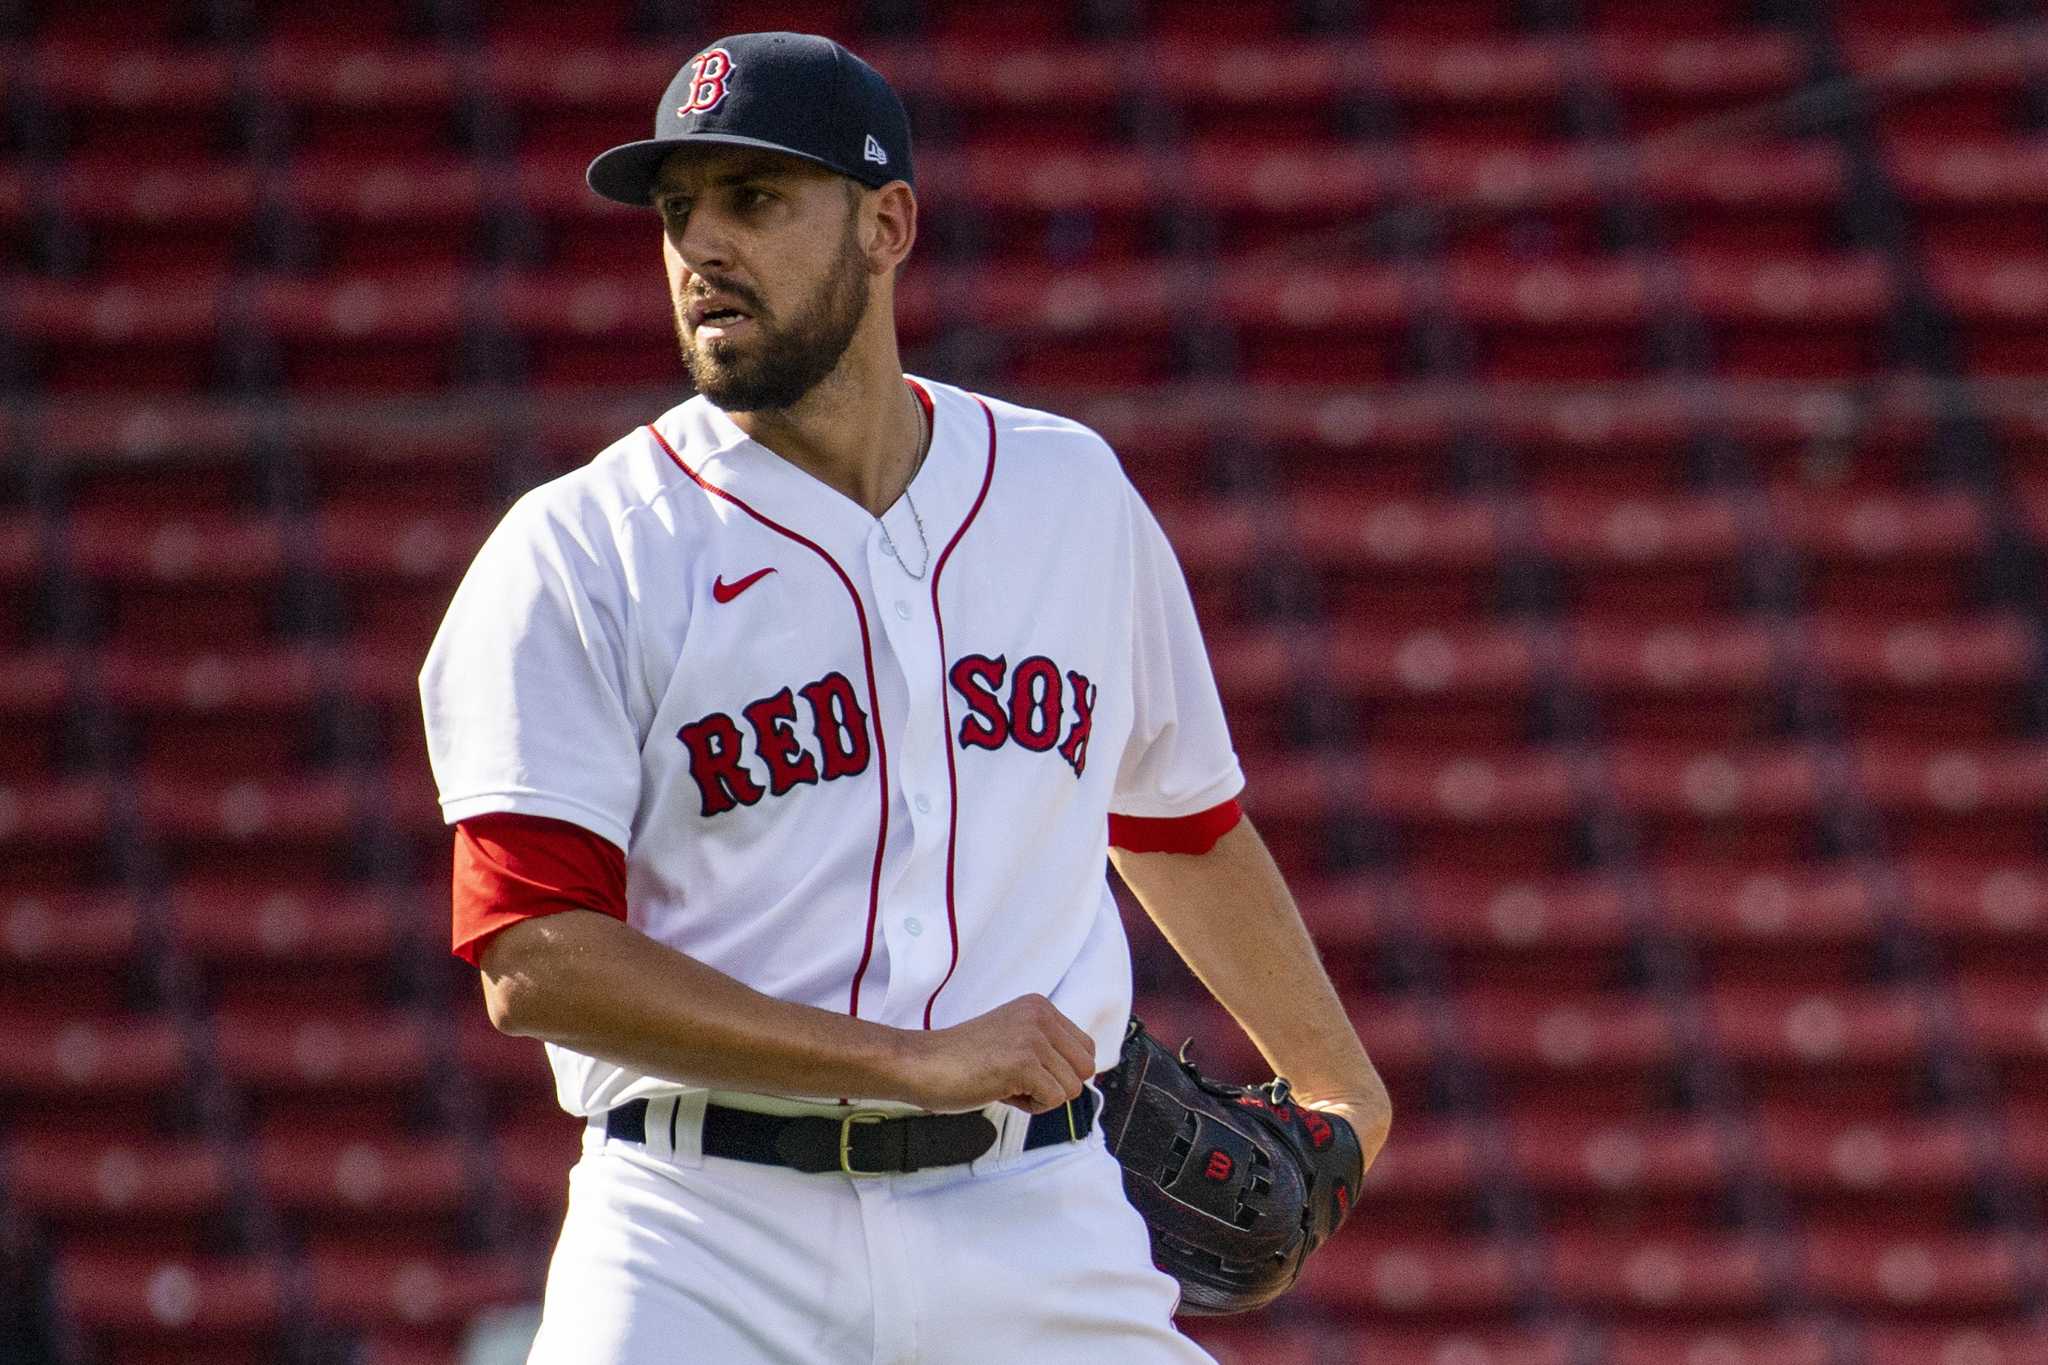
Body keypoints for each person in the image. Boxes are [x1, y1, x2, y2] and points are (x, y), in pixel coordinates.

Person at [419, 30, 1391, 1363]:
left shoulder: (1068, 495)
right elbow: (532, 954)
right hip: (702, 1226)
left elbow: (1177, 819)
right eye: (678, 212)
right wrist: (900, 1060)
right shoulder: (584, 547)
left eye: (755, 201)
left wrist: (1338, 1073)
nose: (704, 250)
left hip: (1031, 1208)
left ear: (887, 225)